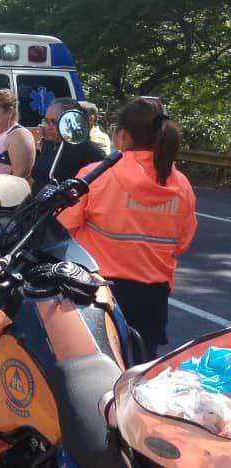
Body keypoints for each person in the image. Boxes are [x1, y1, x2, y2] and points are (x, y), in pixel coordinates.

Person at [58, 97, 197, 360]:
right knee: (142, 369)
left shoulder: (96, 174)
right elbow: (182, 242)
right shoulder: (181, 185)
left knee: (98, 367)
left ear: (122, 135)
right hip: (153, 295)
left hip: (99, 290)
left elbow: (63, 227)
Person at [31, 98, 105, 193]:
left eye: (54, 122)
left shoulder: (86, 149)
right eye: (46, 121)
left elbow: (102, 181)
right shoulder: (48, 144)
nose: (48, 127)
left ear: (72, 121)